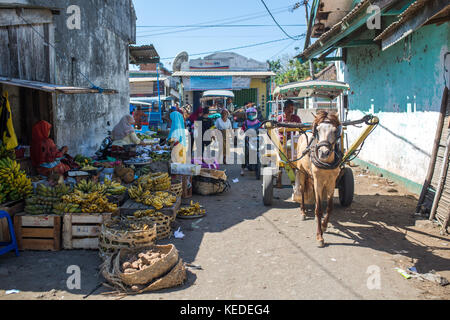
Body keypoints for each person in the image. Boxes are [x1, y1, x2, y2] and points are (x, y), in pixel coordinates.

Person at [241, 107, 261, 176]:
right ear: (247, 114)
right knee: (245, 152)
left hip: (257, 139)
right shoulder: (245, 123)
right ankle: (242, 169)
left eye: (253, 114)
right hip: (247, 139)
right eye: (250, 114)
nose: (251, 115)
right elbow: (242, 131)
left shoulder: (258, 122)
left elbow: (262, 129)